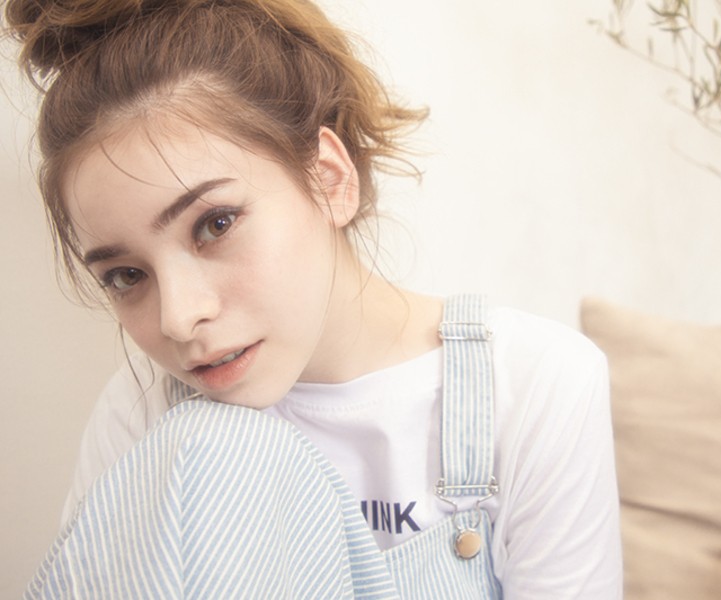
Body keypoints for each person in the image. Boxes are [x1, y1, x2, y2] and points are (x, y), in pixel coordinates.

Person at [6, 0, 622, 597]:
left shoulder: (532, 385)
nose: (179, 318)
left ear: (329, 179)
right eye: (125, 276)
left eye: (215, 225)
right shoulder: (144, 414)